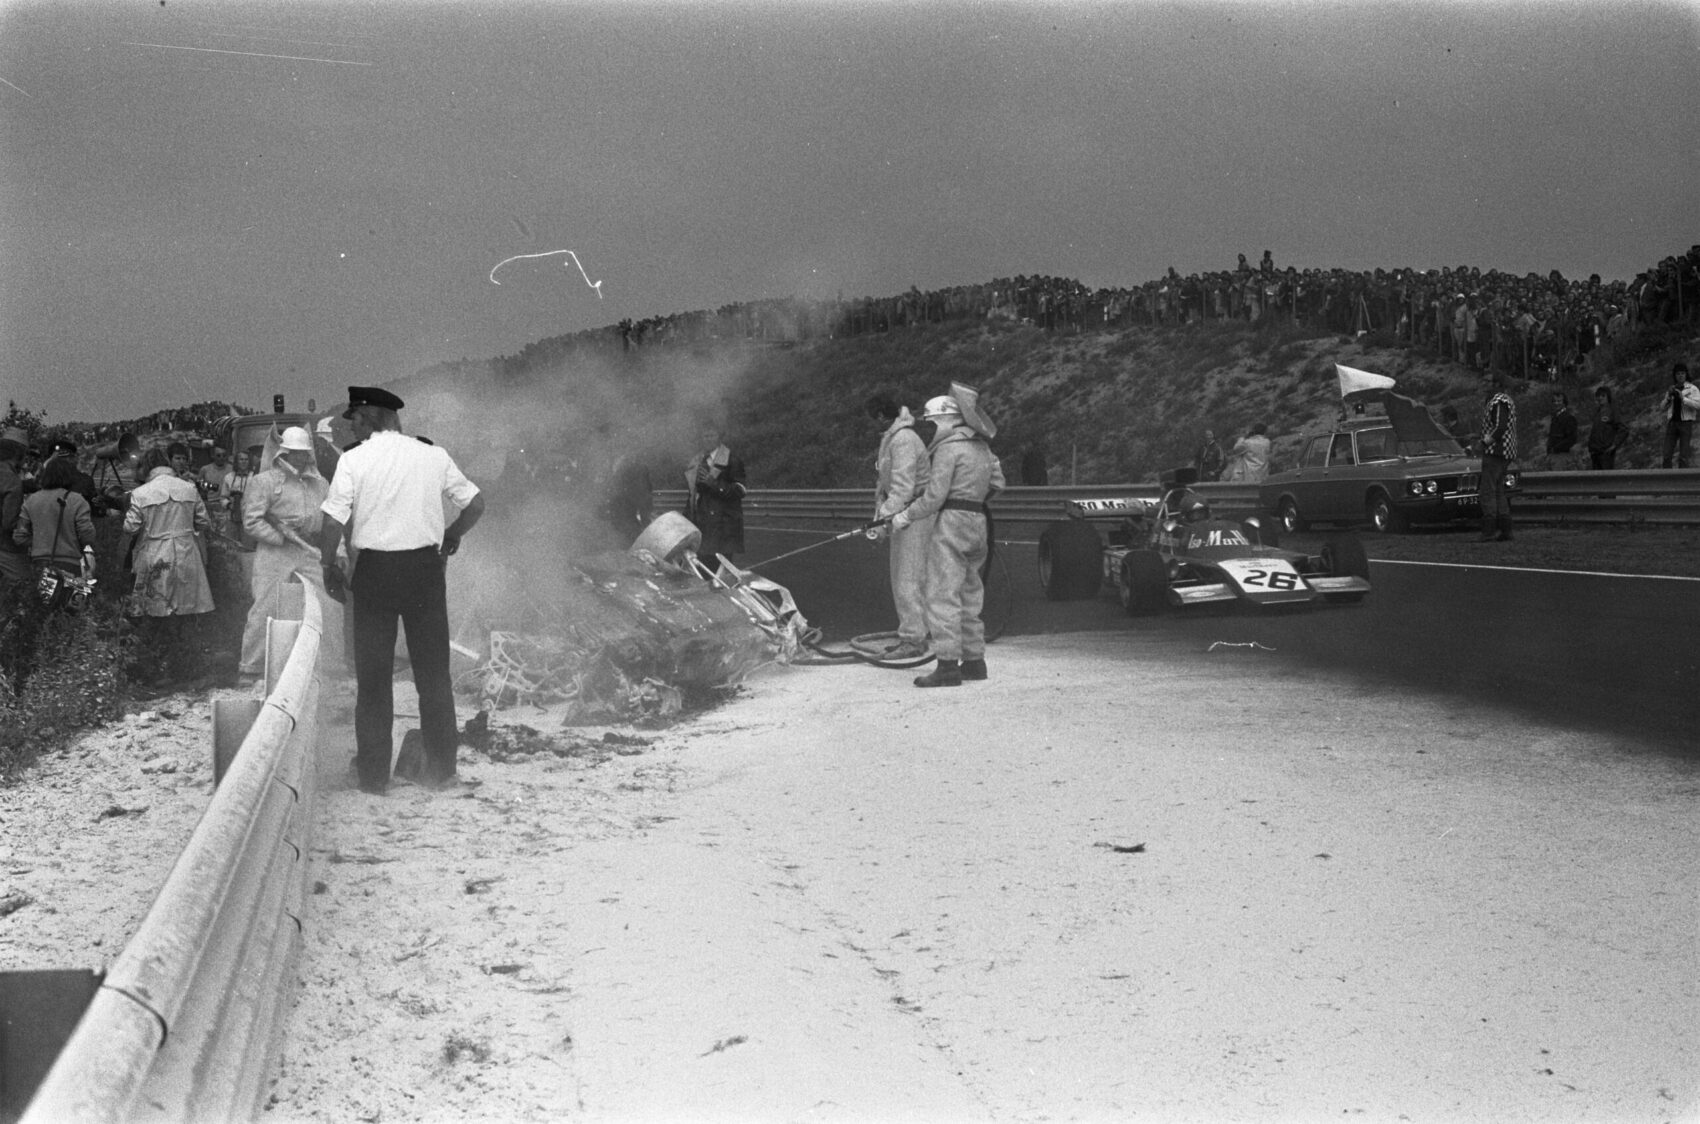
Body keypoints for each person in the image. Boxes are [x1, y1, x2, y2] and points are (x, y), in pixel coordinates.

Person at [319, 387, 484, 796]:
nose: (351, 427)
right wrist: (451, 536)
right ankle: (443, 773)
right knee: (433, 677)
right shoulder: (433, 455)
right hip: (424, 573)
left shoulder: (353, 460)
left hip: (375, 574)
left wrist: (329, 565)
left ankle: (374, 778)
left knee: (373, 681)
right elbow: (476, 504)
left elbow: (332, 521)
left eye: (354, 419)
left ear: (371, 418)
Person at [888, 385, 1004, 688]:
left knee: (941, 595)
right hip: (978, 521)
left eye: (932, 422)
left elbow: (935, 496)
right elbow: (998, 484)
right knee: (970, 593)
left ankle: (948, 666)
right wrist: (972, 499)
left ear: (945, 419)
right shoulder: (982, 447)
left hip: (951, 523)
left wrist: (905, 515)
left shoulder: (948, 448)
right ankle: (975, 662)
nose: (930, 428)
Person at [237, 427, 338, 688]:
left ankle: (330, 667)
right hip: (276, 551)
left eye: (304, 454)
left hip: (310, 549)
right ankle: (251, 669)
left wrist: (337, 551)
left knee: (327, 602)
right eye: (294, 454)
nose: (300, 459)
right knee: (265, 605)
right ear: (283, 453)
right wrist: (280, 537)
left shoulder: (321, 483)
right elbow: (252, 522)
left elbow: (330, 520)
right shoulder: (265, 482)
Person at [119, 447, 216, 682]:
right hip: (186, 553)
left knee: (155, 612)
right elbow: (203, 522)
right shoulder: (189, 488)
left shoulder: (141, 493)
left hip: (155, 553)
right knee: (186, 611)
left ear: (147, 468)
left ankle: (155, 669)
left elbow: (129, 528)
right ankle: (187, 667)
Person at [867, 392, 932, 660]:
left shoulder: (903, 439)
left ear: (882, 416)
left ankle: (914, 639)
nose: (872, 424)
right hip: (903, 514)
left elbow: (903, 488)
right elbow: (884, 488)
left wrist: (883, 520)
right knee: (905, 576)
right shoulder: (892, 438)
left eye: (873, 418)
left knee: (908, 578)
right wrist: (879, 519)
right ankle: (916, 633)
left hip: (914, 515)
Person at [14, 455, 97, 588]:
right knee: (68, 606)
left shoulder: (31, 501)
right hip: (70, 565)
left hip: (39, 564)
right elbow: (87, 535)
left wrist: (40, 542)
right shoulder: (78, 501)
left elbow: (19, 537)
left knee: (42, 606)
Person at [684, 428, 746, 562]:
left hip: (723, 529)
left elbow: (740, 491)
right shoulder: (696, 461)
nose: (708, 439)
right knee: (702, 572)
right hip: (702, 526)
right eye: (705, 436)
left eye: (712, 435)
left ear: (719, 437)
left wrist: (714, 484)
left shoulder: (732, 460)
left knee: (720, 575)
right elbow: (692, 497)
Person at [1478, 373, 1518, 542]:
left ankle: (1489, 529)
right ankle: (1505, 528)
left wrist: (1485, 441)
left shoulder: (1498, 401)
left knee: (1488, 491)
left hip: (1496, 451)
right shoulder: (1505, 400)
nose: (1484, 385)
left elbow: (1499, 426)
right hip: (1505, 452)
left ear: (1496, 384)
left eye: (1488, 382)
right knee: (1499, 491)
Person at [0, 428, 32, 596]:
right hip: (5, 547)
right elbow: (8, 524)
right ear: (19, 454)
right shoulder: (13, 482)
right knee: (25, 587)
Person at [1659, 361, 1700, 468]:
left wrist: (1684, 399)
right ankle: (1667, 480)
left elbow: (1698, 405)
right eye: (1678, 374)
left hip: (1685, 423)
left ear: (1686, 374)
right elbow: (1662, 407)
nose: (1680, 376)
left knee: (1683, 456)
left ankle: (1683, 481)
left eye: (1682, 373)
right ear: (1675, 375)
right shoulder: (1672, 389)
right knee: (1666, 455)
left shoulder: (1692, 389)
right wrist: (1668, 398)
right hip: (1672, 423)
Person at [1586, 385, 1625, 469]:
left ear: (1608, 397)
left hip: (1606, 453)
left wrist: (1614, 445)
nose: (1600, 398)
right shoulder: (1597, 412)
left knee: (1606, 479)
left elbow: (1623, 429)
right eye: (1598, 396)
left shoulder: (1612, 411)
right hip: (1595, 452)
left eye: (1603, 396)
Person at [1545, 391, 1578, 463]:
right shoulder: (1554, 418)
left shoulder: (1569, 418)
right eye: (1554, 401)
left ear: (1564, 402)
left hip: (1562, 456)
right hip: (1553, 455)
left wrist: (1556, 448)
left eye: (1559, 401)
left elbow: (1572, 438)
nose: (1556, 403)